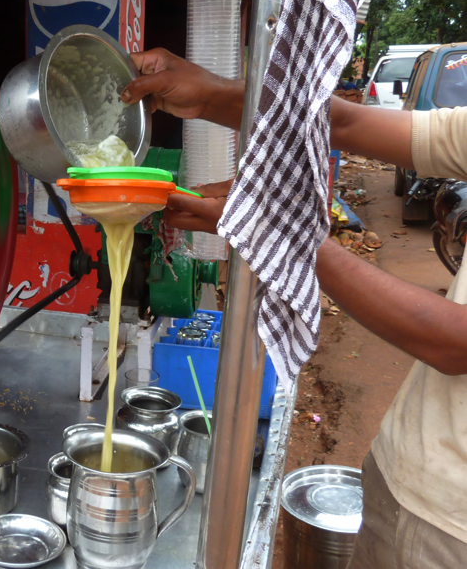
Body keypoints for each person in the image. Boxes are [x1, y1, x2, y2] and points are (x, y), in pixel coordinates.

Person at [121, 48, 467, 568]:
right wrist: (209, 92)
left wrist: (279, 229)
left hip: (451, 527)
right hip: (398, 468)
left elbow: (454, 342)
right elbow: (344, 120)